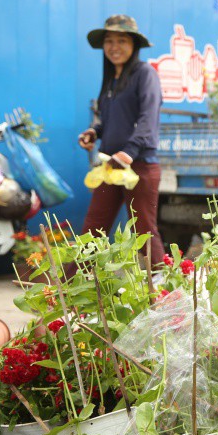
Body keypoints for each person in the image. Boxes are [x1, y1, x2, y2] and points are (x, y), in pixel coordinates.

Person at [77, 15, 166, 264]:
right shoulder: (111, 80)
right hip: (111, 166)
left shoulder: (145, 74)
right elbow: (105, 120)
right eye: (109, 41)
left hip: (139, 166)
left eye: (121, 40)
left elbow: (148, 119)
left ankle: (163, 293)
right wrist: (94, 132)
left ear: (134, 45)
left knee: (143, 231)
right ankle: (73, 291)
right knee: (93, 229)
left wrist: (128, 151)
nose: (114, 47)